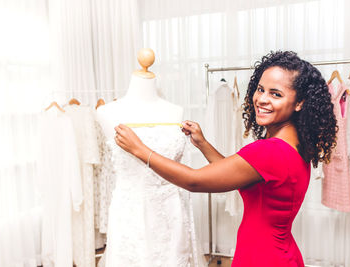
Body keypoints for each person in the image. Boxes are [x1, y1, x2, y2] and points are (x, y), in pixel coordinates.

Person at [114, 51, 337, 266]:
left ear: (299, 103)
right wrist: (202, 143)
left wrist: (140, 150)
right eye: (260, 89)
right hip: (279, 252)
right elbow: (237, 172)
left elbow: (194, 181)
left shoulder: (269, 151)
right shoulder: (296, 146)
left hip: (262, 257)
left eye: (275, 94)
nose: (261, 99)